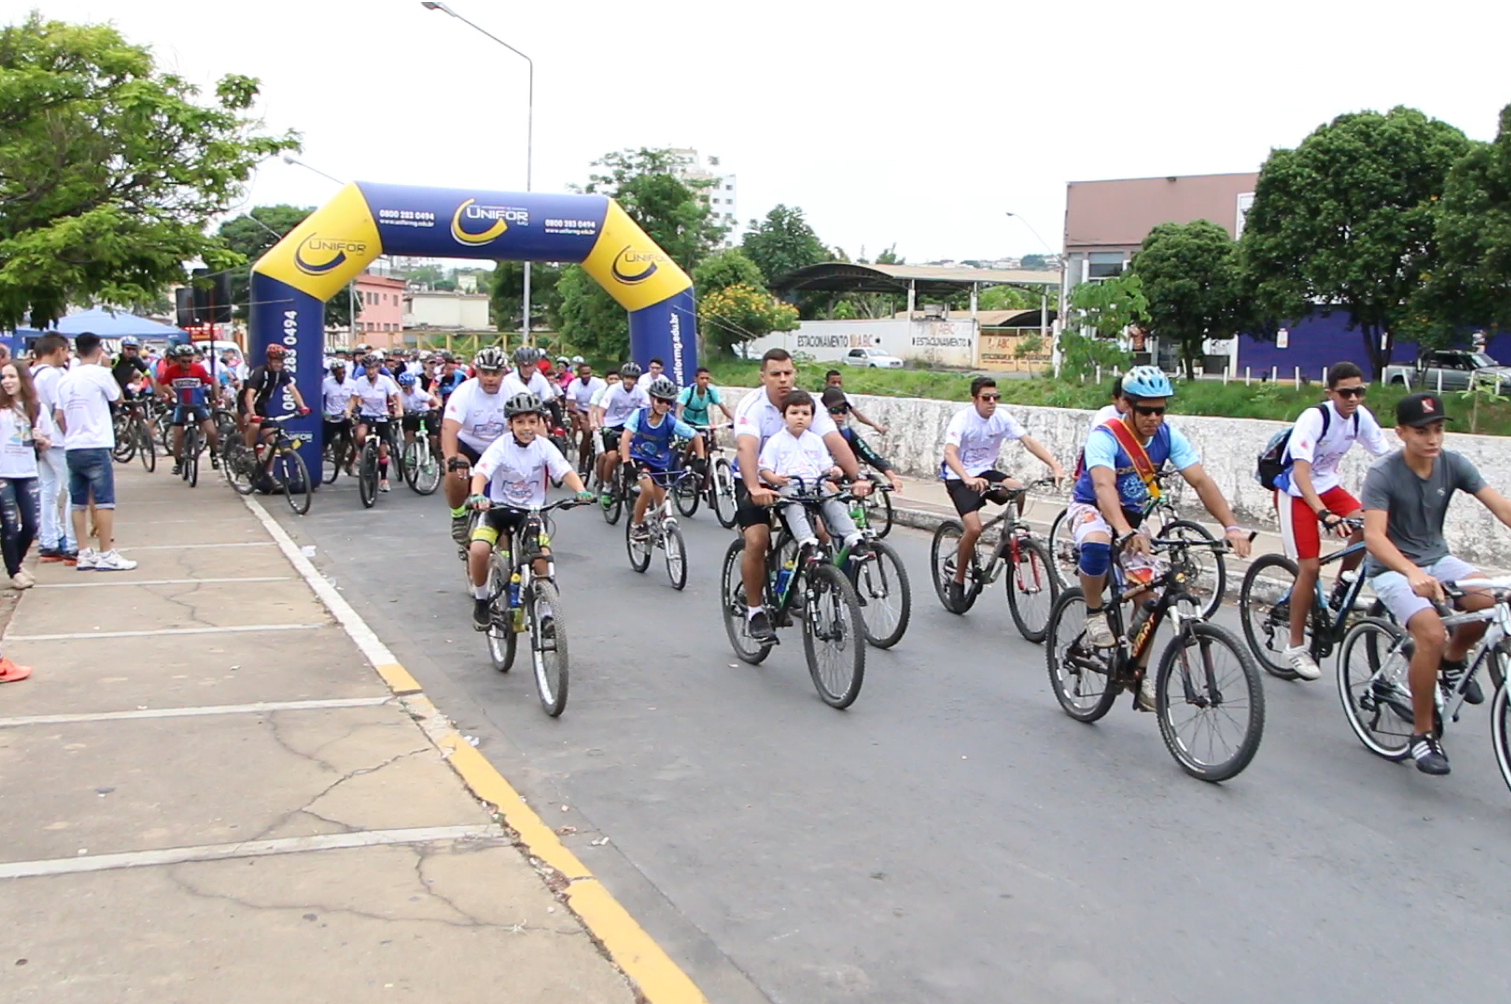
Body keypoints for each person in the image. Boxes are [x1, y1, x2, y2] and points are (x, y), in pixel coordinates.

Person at [1067, 366, 1250, 707]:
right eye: (1146, 411)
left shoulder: (1168, 437)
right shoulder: (1105, 437)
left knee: (1149, 595)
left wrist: (1231, 526)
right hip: (1092, 508)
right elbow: (1104, 486)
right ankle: (1094, 613)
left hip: (1133, 519)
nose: (1154, 418)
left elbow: (1201, 482)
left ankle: (1138, 674)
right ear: (1128, 406)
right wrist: (1123, 531)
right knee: (1096, 542)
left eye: (1160, 410)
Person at [1361, 392, 1511, 776]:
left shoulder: (1452, 464)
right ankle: (1422, 734)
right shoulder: (1383, 473)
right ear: (1401, 433)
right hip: (1392, 567)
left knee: (1490, 602)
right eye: (1422, 431)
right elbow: (1374, 537)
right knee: (1429, 633)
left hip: (1438, 559)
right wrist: (1410, 571)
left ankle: (1454, 658)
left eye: (1439, 429)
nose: (1433, 439)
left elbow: (1500, 506)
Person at [733, 349, 868, 643]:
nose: (783, 379)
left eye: (788, 373)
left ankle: (794, 579)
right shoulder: (752, 407)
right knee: (757, 539)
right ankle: (755, 611)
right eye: (775, 374)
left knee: (820, 531)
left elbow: (835, 441)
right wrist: (755, 488)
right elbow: (746, 448)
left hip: (798, 483)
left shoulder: (806, 404)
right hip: (754, 476)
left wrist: (856, 477)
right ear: (763, 377)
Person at [1270, 361, 1393, 680]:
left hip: (1328, 487)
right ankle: (1295, 647)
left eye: (1359, 392)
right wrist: (1323, 513)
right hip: (1296, 493)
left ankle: (1340, 589)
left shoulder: (1360, 417)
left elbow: (1389, 458)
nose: (1353, 399)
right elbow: (1300, 473)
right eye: (1345, 393)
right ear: (1330, 393)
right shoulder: (1314, 418)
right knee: (1309, 569)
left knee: (1370, 526)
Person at [465, 392, 593, 629]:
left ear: (540, 423)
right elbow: (482, 472)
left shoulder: (544, 447)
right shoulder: (500, 446)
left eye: (532, 421)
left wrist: (581, 490)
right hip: (498, 510)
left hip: (531, 513)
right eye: (520, 422)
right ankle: (482, 600)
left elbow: (564, 470)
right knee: (479, 550)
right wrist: (477, 495)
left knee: (541, 556)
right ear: (510, 424)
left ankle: (546, 612)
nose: (527, 427)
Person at [940, 375, 1065, 609]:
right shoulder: (962, 419)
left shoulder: (1001, 417)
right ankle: (958, 580)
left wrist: (1054, 465)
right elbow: (949, 453)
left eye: (995, 397)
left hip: (985, 473)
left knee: (1018, 490)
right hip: (959, 476)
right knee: (974, 529)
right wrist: (967, 478)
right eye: (986, 398)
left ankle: (1008, 540)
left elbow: (1028, 442)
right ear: (974, 400)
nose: (992, 402)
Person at [55, 332, 137, 571]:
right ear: (99, 349)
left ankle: (82, 552)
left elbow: (59, 415)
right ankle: (106, 552)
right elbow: (118, 398)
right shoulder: (100, 374)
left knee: (77, 501)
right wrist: (107, 369)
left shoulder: (65, 379)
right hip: (96, 442)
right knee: (104, 501)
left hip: (73, 445)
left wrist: (70, 433)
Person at [758, 389, 863, 552]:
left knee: (833, 502)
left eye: (805, 414)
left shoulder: (816, 440)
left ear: (812, 418)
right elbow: (764, 469)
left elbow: (825, 466)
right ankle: (806, 541)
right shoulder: (775, 442)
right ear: (783, 417)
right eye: (794, 413)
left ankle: (853, 537)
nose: (800, 417)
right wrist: (775, 480)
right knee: (793, 506)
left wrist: (835, 471)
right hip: (790, 486)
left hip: (816, 486)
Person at [441, 347, 510, 547]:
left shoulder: (516, 390)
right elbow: (448, 428)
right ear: (477, 372)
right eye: (485, 373)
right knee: (455, 469)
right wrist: (451, 459)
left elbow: (536, 427)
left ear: (504, 372)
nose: (490, 378)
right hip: (469, 446)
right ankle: (458, 515)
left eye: (495, 373)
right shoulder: (464, 392)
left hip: (501, 448)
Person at [623, 376, 705, 542]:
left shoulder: (670, 421)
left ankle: (660, 529)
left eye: (668, 402)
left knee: (662, 503)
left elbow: (696, 436)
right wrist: (626, 462)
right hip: (640, 459)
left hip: (660, 463)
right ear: (652, 399)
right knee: (648, 490)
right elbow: (625, 438)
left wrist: (700, 460)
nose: (664, 405)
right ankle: (637, 525)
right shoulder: (639, 415)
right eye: (660, 401)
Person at [0, 361, 55, 588]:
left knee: (31, 524)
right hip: (3, 473)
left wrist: (41, 440)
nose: (7, 382)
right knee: (9, 524)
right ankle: (14, 572)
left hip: (28, 471)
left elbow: (48, 441)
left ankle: (17, 563)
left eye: (12, 376)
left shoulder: (37, 408)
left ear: (23, 379)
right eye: (3, 377)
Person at [30, 334, 76, 564]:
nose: (66, 356)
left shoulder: (31, 373)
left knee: (47, 490)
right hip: (57, 439)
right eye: (66, 351)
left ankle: (48, 540)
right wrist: (71, 435)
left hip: (39, 439)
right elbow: (61, 411)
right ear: (59, 350)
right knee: (71, 488)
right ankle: (71, 542)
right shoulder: (54, 375)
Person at [821, 386, 902, 493]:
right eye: (834, 411)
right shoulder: (815, 433)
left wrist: (893, 478)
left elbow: (869, 454)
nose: (840, 415)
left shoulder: (846, 432)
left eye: (843, 411)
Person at [591, 362, 650, 501]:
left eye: (633, 378)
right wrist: (602, 426)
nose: (629, 381)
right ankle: (607, 487)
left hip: (629, 425)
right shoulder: (613, 390)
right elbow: (600, 411)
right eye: (627, 377)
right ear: (623, 377)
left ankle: (636, 480)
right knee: (611, 457)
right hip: (611, 425)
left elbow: (647, 411)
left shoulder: (640, 392)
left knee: (639, 454)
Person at [159, 344, 220, 475]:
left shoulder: (199, 369)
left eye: (189, 361)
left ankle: (214, 455)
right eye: (183, 361)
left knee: (211, 431)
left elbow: (213, 381)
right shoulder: (171, 370)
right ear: (177, 359)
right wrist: (171, 393)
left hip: (198, 405)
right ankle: (178, 462)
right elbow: (163, 383)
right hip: (181, 405)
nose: (187, 364)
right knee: (177, 436)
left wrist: (216, 397)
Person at [242, 344, 310, 460]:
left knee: (271, 443)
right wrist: (252, 414)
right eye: (275, 361)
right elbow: (249, 395)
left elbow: (292, 389)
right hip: (246, 404)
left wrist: (302, 407)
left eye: (281, 361)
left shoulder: (281, 373)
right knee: (254, 425)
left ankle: (267, 469)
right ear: (269, 360)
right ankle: (248, 452)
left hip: (260, 407)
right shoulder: (259, 372)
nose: (278, 364)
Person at [351, 354, 402, 492]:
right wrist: (348, 410)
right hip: (367, 415)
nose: (371, 371)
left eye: (373, 368)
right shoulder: (360, 381)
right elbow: (354, 398)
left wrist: (399, 410)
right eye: (368, 368)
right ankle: (363, 455)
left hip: (382, 416)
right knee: (359, 435)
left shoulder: (385, 381)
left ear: (378, 368)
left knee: (382, 450)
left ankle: (383, 479)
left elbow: (396, 395)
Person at [823, 369, 887, 435]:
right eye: (833, 383)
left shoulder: (845, 397)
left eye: (839, 383)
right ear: (826, 384)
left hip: (843, 430)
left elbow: (858, 415)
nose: (837, 385)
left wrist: (875, 425)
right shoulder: (820, 399)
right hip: (827, 431)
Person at [564, 361, 605, 462]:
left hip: (596, 410)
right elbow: (570, 404)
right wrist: (579, 414)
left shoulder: (599, 383)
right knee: (587, 432)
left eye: (588, 373)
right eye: (584, 374)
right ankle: (582, 461)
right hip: (580, 410)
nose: (586, 376)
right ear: (578, 374)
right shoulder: (574, 384)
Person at [321, 359, 357, 474]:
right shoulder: (326, 383)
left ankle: (349, 464)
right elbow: (321, 399)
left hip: (345, 416)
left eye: (343, 372)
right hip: (331, 416)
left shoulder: (351, 383)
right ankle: (319, 460)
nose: (341, 375)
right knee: (324, 442)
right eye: (338, 373)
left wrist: (352, 411)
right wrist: (323, 412)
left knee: (352, 441)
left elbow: (355, 399)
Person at [398, 370, 441, 464]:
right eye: (405, 387)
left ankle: (434, 453)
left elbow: (433, 401)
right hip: (410, 415)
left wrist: (435, 407)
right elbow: (398, 408)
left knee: (433, 436)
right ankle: (408, 453)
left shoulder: (418, 392)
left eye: (410, 386)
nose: (408, 389)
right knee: (409, 431)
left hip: (424, 413)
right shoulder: (399, 395)